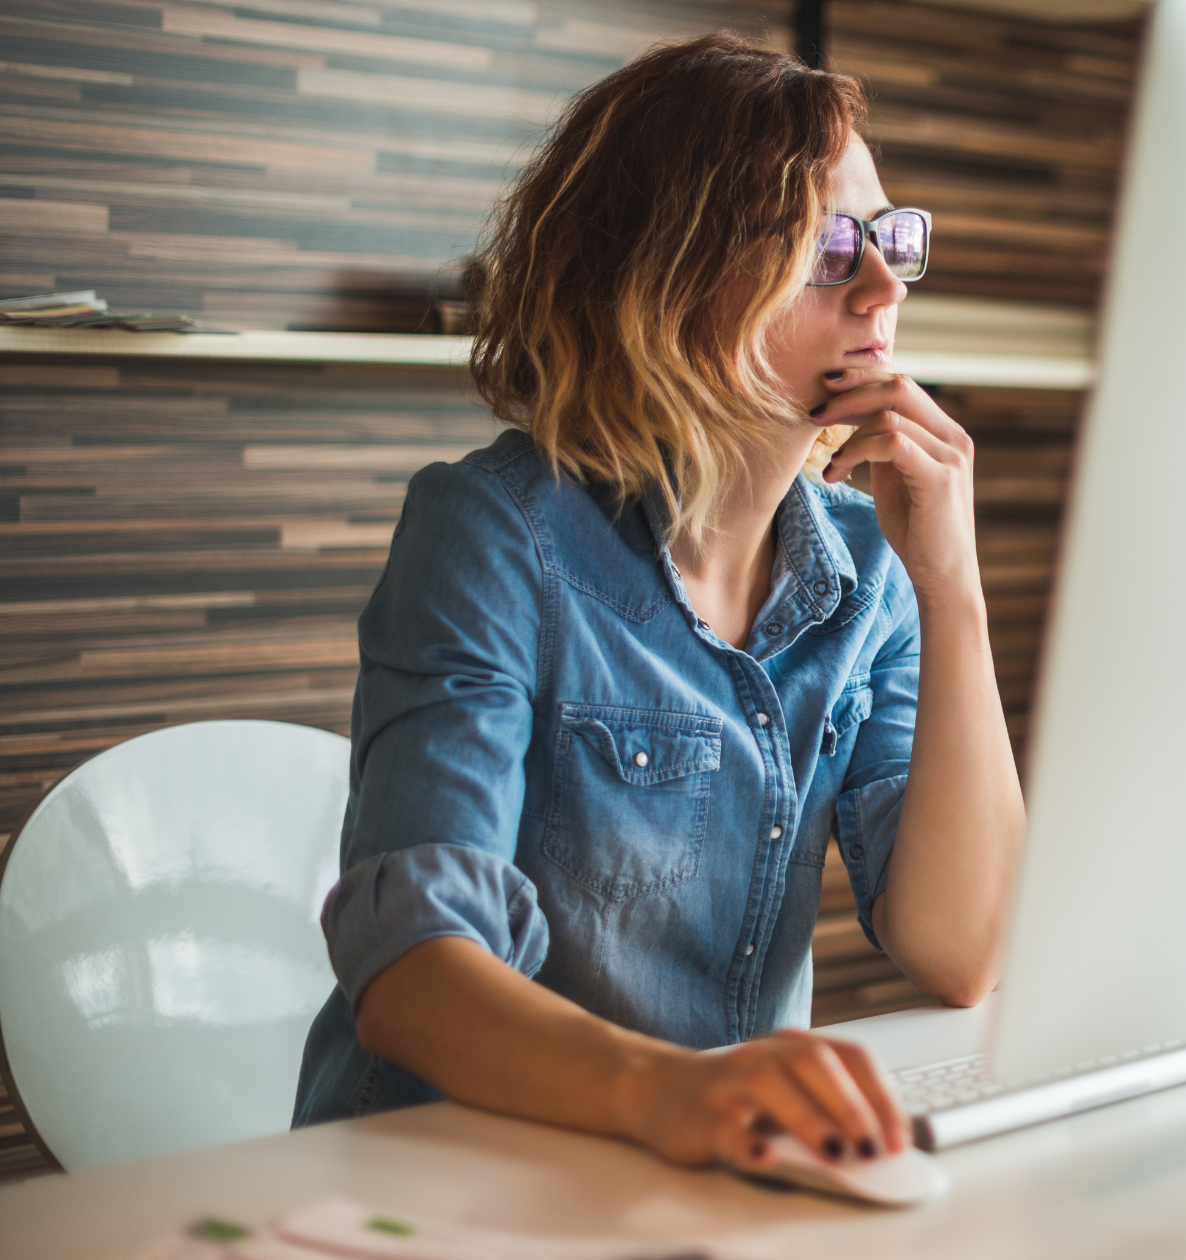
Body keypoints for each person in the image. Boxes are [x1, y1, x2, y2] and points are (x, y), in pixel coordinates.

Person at [292, 33, 1024, 1175]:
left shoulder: (872, 570)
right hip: (449, 1180)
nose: (885, 286)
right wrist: (674, 1093)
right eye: (830, 247)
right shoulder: (491, 535)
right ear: (670, 275)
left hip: (707, 1172)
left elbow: (962, 949)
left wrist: (953, 589)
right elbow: (411, 971)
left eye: (891, 240)